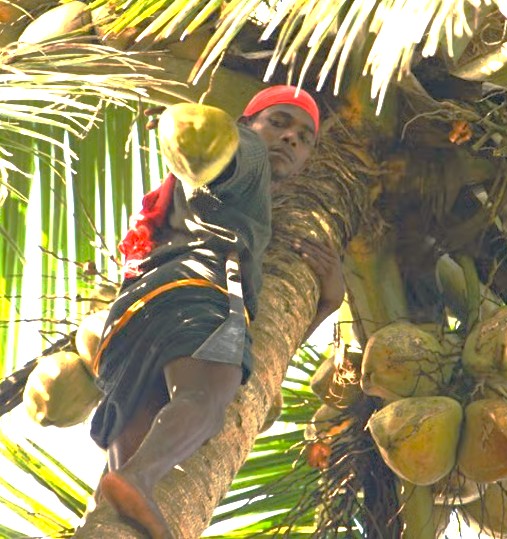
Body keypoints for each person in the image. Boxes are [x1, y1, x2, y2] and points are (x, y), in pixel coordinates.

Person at [90, 86, 344, 539]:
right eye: (279, 122)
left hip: (132, 317)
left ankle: (120, 498)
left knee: (122, 482)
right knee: (207, 400)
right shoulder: (246, 154)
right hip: (199, 287)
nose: (290, 139)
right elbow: (226, 154)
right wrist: (199, 133)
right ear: (247, 123)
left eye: (304, 137)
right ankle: (139, 480)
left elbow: (271, 343)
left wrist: (328, 303)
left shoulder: (192, 199)